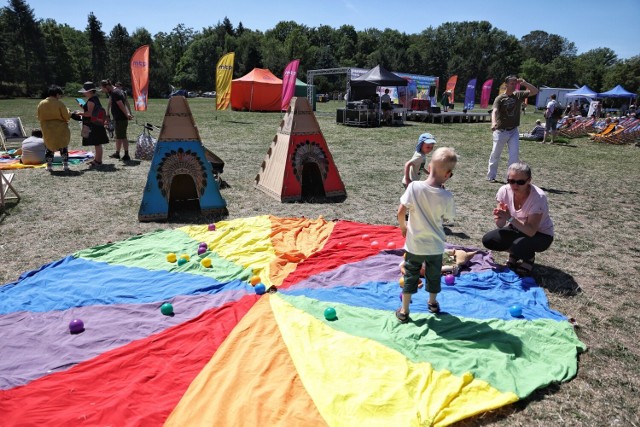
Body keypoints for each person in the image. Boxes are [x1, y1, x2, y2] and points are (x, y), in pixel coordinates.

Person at [395, 147, 457, 323]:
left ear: (429, 167)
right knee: (433, 274)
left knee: (410, 274)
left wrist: (403, 227)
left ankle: (405, 311)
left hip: (414, 245)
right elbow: (449, 218)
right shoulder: (446, 196)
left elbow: (400, 212)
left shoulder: (414, 187)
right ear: (448, 174)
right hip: (435, 245)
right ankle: (432, 302)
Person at [482, 162, 554, 277]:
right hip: (517, 229)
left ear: (529, 180)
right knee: (489, 239)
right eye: (511, 181)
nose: (515, 185)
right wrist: (501, 216)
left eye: (520, 182)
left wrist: (510, 217)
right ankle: (515, 255)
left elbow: (531, 231)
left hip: (541, 235)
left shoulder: (538, 197)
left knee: (517, 244)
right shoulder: (504, 191)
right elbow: (500, 224)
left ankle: (528, 259)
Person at [487, 75, 538, 183]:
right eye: (512, 83)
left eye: (515, 83)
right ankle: (491, 176)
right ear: (506, 85)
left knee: (514, 157)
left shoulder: (518, 95)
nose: (514, 85)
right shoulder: (500, 98)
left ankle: (511, 178)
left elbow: (535, 91)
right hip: (501, 131)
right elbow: (495, 111)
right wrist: (494, 122)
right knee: (495, 154)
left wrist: (525, 83)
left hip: (513, 131)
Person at [36, 85, 72, 172]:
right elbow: (66, 116)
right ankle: (65, 165)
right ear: (56, 94)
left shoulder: (41, 103)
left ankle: (49, 166)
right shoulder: (59, 103)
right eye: (60, 95)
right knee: (63, 147)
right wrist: (69, 111)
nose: (60, 97)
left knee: (49, 147)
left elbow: (39, 116)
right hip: (60, 128)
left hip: (47, 129)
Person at [75, 81, 109, 167]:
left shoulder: (91, 100)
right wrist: (83, 107)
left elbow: (89, 114)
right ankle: (97, 159)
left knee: (97, 143)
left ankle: (98, 161)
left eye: (85, 91)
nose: (84, 93)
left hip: (93, 124)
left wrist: (80, 113)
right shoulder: (95, 98)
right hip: (97, 123)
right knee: (97, 143)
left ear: (90, 91)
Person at [101, 79, 134, 161]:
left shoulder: (116, 93)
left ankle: (126, 155)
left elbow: (121, 105)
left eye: (103, 88)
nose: (103, 90)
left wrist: (127, 114)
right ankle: (117, 153)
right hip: (118, 118)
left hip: (121, 118)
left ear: (107, 86)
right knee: (118, 137)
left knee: (123, 137)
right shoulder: (117, 91)